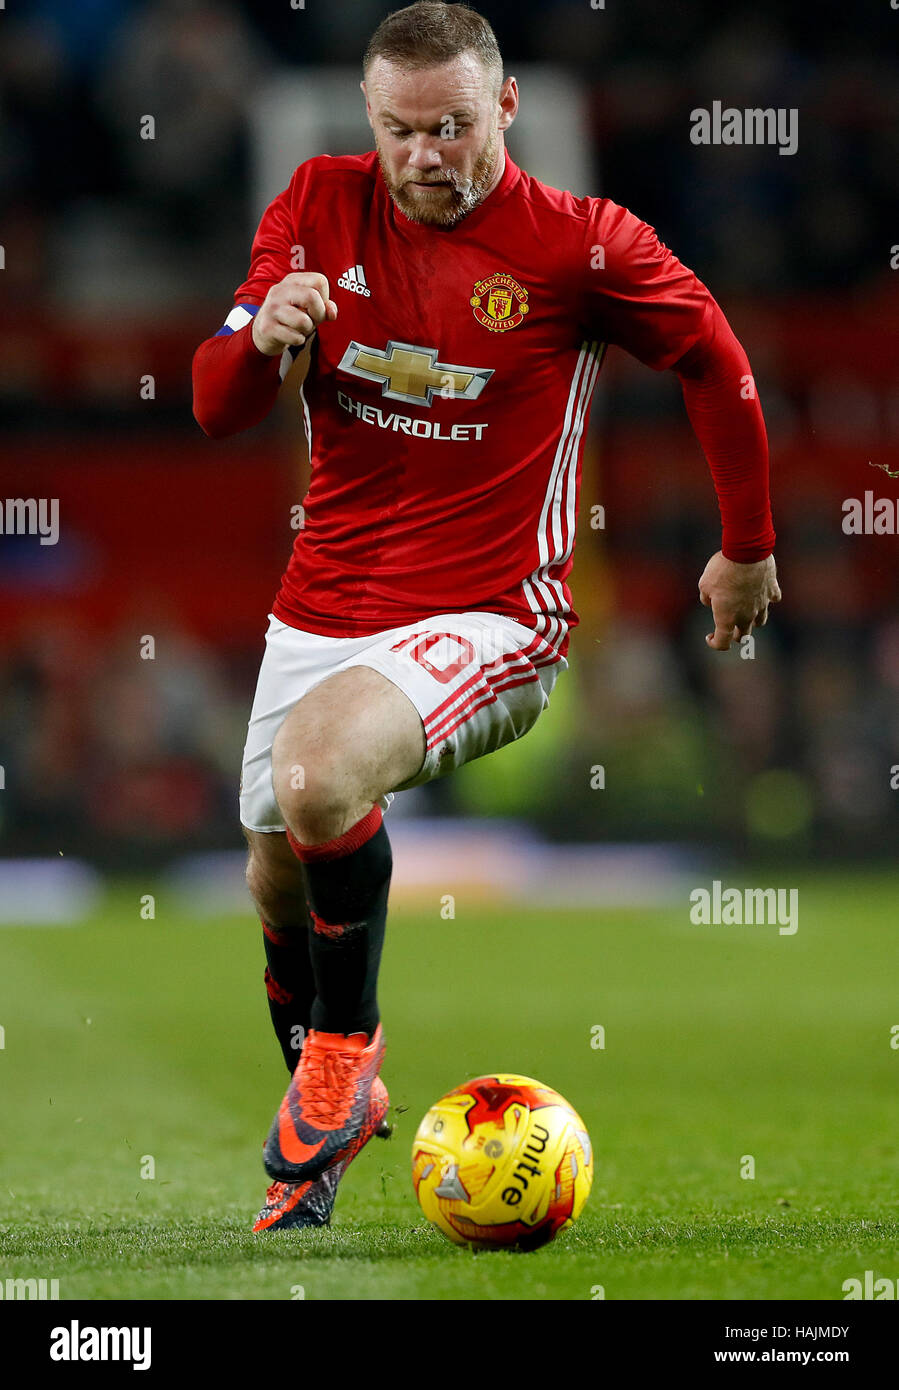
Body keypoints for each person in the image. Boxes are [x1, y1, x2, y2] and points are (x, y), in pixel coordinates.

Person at [191, 1, 781, 1232]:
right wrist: (261, 346)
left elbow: (713, 357)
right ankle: (313, 1162)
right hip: (322, 605)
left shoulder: (582, 245)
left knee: (313, 779)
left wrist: (745, 546)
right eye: (401, 131)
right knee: (276, 873)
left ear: (502, 109)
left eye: (451, 127)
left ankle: (342, 1057)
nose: (425, 156)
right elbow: (212, 404)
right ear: (370, 122)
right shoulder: (312, 204)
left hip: (491, 609)